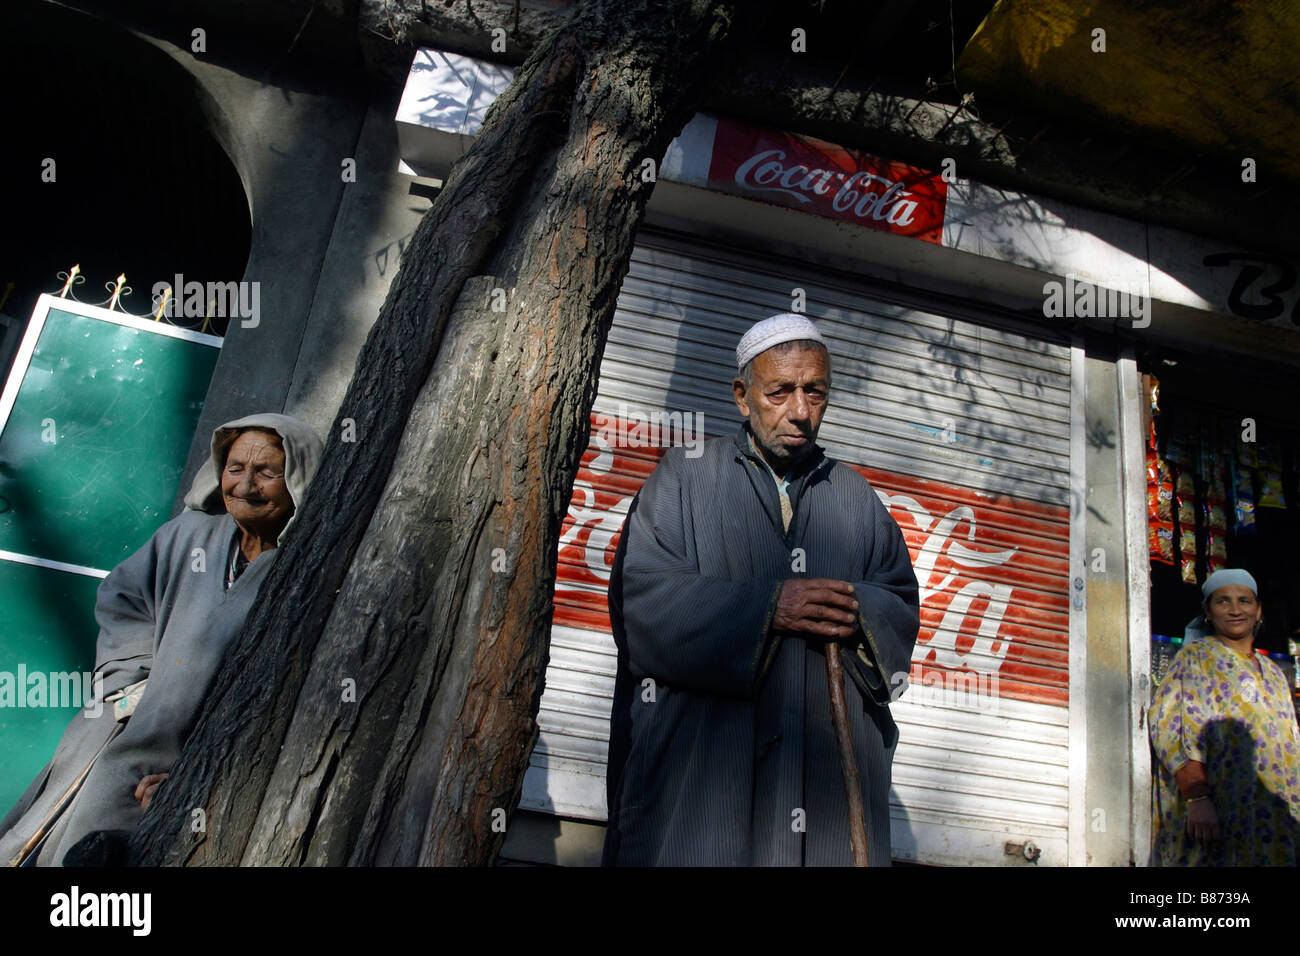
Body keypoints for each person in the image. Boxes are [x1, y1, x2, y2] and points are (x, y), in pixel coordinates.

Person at [602, 313, 920, 866]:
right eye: (780, 391)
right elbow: (643, 603)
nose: (800, 411)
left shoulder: (856, 497)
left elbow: (898, 602)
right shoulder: (683, 477)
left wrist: (860, 612)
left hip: (819, 791)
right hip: (703, 779)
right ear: (742, 397)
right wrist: (770, 608)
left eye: (814, 392)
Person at [0, 412, 323, 866]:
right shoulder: (190, 535)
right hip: (118, 729)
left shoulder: (308, 570)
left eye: (267, 473)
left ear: (298, 479)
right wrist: (128, 681)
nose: (245, 487)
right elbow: (124, 596)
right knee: (50, 838)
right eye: (235, 469)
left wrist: (202, 775)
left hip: (180, 771)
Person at [1149, 568, 1300, 865]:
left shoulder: (1273, 672)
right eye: (1223, 601)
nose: (1235, 610)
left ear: (1258, 611)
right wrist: (1197, 797)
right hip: (1219, 812)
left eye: (1244, 601)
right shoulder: (1196, 657)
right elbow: (1170, 727)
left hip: (1274, 818)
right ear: (1208, 611)